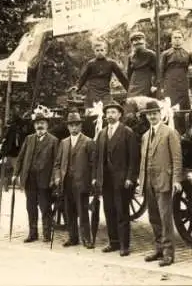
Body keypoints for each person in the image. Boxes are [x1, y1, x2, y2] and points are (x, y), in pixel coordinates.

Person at [139, 101, 182, 267]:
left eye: (154, 113)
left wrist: (176, 179)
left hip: (164, 180)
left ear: (160, 114)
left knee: (165, 218)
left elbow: (177, 158)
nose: (151, 116)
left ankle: (168, 254)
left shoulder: (169, 133)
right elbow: (143, 160)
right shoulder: (144, 136)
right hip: (149, 182)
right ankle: (158, 249)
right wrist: (141, 181)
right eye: (148, 114)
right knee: (153, 217)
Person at [95, 101, 140, 256]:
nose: (110, 116)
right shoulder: (101, 133)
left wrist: (130, 178)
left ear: (120, 115)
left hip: (122, 180)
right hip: (106, 180)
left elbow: (134, 158)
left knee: (122, 213)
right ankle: (113, 242)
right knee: (109, 211)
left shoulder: (127, 132)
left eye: (113, 112)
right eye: (108, 113)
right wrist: (97, 177)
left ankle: (124, 245)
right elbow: (98, 158)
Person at [12, 112, 59, 243]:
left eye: (42, 123)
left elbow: (57, 162)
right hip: (29, 179)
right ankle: (33, 234)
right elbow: (20, 158)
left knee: (45, 207)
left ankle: (46, 233)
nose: (40, 125)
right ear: (34, 125)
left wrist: (54, 179)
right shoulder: (29, 139)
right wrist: (16, 173)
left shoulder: (54, 141)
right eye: (38, 123)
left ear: (47, 125)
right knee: (31, 207)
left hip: (44, 180)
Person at [53, 112, 96, 249]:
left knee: (82, 211)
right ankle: (73, 238)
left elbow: (93, 164)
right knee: (69, 211)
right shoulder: (64, 143)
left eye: (76, 125)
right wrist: (57, 176)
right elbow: (57, 164)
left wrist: (91, 181)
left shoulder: (88, 142)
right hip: (66, 183)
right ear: (68, 127)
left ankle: (86, 239)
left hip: (81, 182)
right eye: (71, 125)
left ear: (80, 126)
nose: (74, 128)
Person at [159, 30, 192, 134]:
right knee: (171, 109)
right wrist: (161, 87)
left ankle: (185, 133)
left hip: (183, 84)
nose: (177, 40)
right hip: (170, 85)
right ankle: (171, 132)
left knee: (185, 109)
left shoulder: (187, 53)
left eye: (179, 37)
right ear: (171, 40)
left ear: (183, 40)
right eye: (175, 37)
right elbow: (160, 71)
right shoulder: (165, 54)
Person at [70, 41, 129, 108]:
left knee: (107, 109)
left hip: (105, 91)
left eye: (102, 50)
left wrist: (128, 89)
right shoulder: (91, 63)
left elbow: (121, 76)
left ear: (105, 51)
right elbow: (83, 77)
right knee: (92, 112)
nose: (99, 52)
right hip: (92, 91)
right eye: (97, 50)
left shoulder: (111, 63)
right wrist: (77, 86)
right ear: (94, 52)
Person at [127, 32, 157, 98]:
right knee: (132, 101)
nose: (137, 41)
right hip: (133, 83)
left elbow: (157, 71)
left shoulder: (151, 54)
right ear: (132, 43)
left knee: (144, 101)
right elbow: (129, 73)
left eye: (139, 39)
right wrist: (130, 85)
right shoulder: (131, 56)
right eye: (135, 40)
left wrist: (154, 85)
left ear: (144, 41)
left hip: (146, 81)